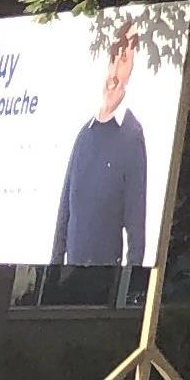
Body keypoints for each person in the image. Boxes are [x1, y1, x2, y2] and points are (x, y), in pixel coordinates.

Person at [50, 19, 153, 271]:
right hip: (69, 274)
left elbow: (135, 219)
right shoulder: (84, 134)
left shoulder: (131, 135)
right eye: (113, 59)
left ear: (133, 69)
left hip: (104, 277)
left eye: (125, 60)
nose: (115, 72)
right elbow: (65, 208)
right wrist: (53, 268)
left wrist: (130, 280)